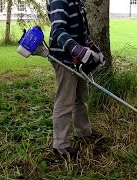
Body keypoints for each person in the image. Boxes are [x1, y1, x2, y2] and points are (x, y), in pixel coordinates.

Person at [47, 0, 104, 159]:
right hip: (64, 59)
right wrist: (77, 50)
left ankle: (83, 132)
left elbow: (83, 33)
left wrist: (94, 50)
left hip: (77, 59)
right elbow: (57, 31)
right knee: (65, 101)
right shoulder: (59, 1)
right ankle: (60, 146)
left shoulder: (78, 1)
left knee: (81, 97)